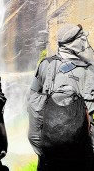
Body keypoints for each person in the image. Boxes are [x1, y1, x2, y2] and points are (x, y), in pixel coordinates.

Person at [28, 24, 94, 171]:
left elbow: (33, 104)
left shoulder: (45, 65)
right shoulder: (90, 70)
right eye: (82, 38)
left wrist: (40, 149)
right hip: (82, 155)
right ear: (74, 43)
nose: (85, 41)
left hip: (49, 152)